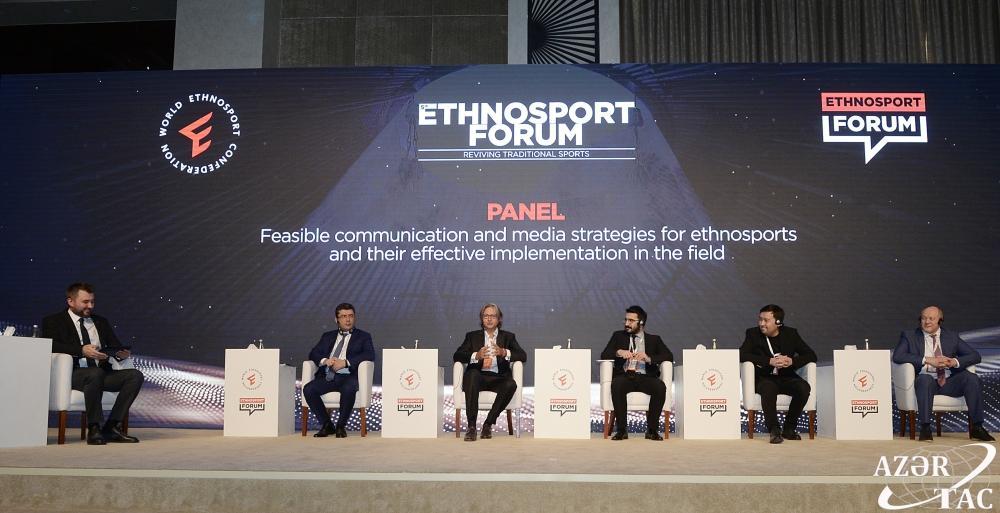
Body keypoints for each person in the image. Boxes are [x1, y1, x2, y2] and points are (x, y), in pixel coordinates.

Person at [41, 282, 144, 445]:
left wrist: (120, 353)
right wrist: (81, 350)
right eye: (85, 302)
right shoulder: (54, 321)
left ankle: (112, 426)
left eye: (92, 302)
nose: (90, 306)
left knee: (135, 376)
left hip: (101, 373)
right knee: (94, 374)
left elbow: (115, 345)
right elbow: (50, 345)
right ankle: (94, 427)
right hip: (73, 374)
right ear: (70, 301)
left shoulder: (100, 321)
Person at [892, 305, 994, 442]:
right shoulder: (910, 336)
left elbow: (975, 356)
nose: (927, 322)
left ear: (940, 320)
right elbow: (898, 356)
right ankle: (925, 428)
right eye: (923, 318)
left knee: (971, 378)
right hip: (925, 381)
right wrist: (927, 360)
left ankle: (977, 427)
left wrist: (954, 362)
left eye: (931, 319)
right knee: (925, 380)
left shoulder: (951, 336)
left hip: (949, 381)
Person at [739, 304, 816, 444]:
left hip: (786, 377)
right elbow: (741, 354)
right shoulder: (753, 334)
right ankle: (774, 430)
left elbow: (811, 355)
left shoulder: (791, 334)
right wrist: (768, 361)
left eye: (766, 320)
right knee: (769, 388)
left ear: (778, 322)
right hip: (763, 378)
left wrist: (791, 361)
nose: (761, 323)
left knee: (803, 388)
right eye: (760, 319)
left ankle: (789, 428)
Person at [453, 303, 527, 441]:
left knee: (511, 384)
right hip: (477, 377)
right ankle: (471, 427)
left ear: (499, 319)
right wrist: (476, 355)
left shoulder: (508, 337)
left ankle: (488, 424)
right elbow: (457, 355)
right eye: (486, 316)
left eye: (492, 316)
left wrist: (504, 352)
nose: (489, 319)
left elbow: (523, 356)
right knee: (472, 375)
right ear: (482, 319)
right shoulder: (472, 336)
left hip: (498, 378)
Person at [303, 303, 376, 438]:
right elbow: (313, 353)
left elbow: (369, 354)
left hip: (349, 376)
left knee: (348, 388)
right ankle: (327, 424)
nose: (348, 320)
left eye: (351, 316)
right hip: (328, 376)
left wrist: (345, 363)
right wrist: (326, 361)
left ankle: (340, 426)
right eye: (343, 316)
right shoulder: (327, 336)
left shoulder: (363, 336)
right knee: (308, 389)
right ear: (336, 319)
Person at [600, 305, 673, 441]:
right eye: (626, 320)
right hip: (625, 376)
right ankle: (622, 430)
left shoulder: (654, 339)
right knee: (617, 385)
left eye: (631, 321)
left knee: (660, 387)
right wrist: (619, 352)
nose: (627, 323)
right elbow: (604, 354)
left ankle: (652, 430)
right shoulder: (618, 336)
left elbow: (669, 356)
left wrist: (648, 358)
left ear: (641, 322)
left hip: (646, 377)